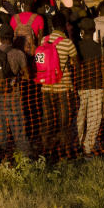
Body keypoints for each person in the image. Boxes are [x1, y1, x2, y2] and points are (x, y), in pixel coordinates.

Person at [38, 12, 77, 154]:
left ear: (53, 25)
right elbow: (76, 62)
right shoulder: (67, 43)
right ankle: (64, 148)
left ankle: (46, 146)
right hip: (63, 86)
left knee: (47, 117)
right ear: (65, 25)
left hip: (46, 86)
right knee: (64, 118)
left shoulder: (44, 40)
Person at [0, 24, 30, 155]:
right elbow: (27, 75)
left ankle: (0, 153)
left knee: (0, 122)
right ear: (12, 37)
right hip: (13, 93)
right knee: (17, 123)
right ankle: (24, 154)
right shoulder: (18, 53)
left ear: (0, 38)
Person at [75, 18, 104, 155]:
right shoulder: (99, 47)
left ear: (81, 31)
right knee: (94, 118)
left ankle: (77, 145)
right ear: (93, 30)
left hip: (80, 86)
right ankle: (88, 147)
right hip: (96, 86)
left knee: (79, 117)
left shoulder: (77, 46)